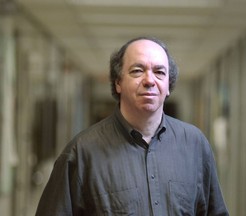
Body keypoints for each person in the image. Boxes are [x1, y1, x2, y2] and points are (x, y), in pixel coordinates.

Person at [35, 36, 229, 216]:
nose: (149, 80)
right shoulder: (82, 152)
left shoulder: (195, 145)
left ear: (168, 85)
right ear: (118, 82)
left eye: (159, 72)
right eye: (137, 70)